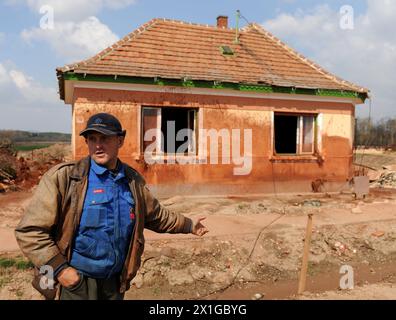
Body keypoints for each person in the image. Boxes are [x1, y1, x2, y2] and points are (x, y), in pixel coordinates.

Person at [15, 112, 208, 300]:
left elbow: (156, 216)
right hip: (78, 283)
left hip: (115, 283)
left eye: (105, 138)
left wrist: (189, 224)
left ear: (120, 141)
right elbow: (30, 231)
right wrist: (60, 269)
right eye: (92, 138)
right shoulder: (65, 178)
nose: (98, 145)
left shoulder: (132, 181)